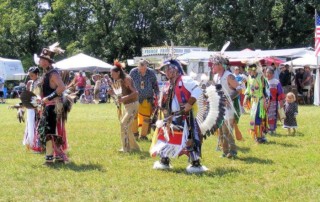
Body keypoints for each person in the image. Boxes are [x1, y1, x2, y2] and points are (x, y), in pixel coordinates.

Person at [151, 59, 208, 173]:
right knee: (167, 136)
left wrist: (189, 103)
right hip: (172, 116)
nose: (166, 72)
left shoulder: (184, 79)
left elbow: (197, 90)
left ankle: (195, 163)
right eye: (165, 70)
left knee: (190, 138)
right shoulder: (169, 83)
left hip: (186, 117)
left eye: (168, 69)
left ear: (175, 69)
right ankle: (164, 160)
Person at [37, 44, 69, 165]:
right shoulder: (47, 73)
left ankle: (49, 158)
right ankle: (58, 157)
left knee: (49, 131)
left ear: (46, 61)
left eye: (41, 59)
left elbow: (62, 87)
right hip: (49, 105)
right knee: (51, 131)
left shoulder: (53, 74)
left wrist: (48, 97)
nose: (39, 61)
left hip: (53, 105)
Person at [212, 56, 241, 157]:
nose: (213, 66)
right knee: (220, 129)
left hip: (228, 107)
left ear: (220, 65)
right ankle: (225, 151)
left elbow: (239, 88)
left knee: (227, 130)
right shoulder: (216, 77)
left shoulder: (229, 76)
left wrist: (228, 98)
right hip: (219, 107)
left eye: (214, 64)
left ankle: (232, 151)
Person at [108, 60, 140, 152]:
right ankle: (135, 147)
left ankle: (126, 148)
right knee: (127, 127)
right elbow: (120, 95)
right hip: (128, 106)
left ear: (118, 72)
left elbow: (136, 93)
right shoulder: (119, 80)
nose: (111, 75)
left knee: (124, 124)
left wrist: (124, 98)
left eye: (112, 73)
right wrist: (112, 93)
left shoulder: (126, 79)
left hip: (133, 105)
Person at [129, 59, 159, 140]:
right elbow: (128, 83)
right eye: (140, 68)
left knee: (146, 118)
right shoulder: (133, 72)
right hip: (134, 98)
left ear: (147, 66)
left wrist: (157, 94)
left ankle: (143, 136)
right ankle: (135, 134)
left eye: (144, 68)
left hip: (147, 99)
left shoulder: (151, 72)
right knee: (133, 116)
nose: (142, 70)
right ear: (138, 66)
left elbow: (155, 85)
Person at [244, 64, 269, 144]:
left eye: (250, 71)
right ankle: (258, 135)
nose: (249, 72)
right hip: (253, 101)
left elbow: (266, 90)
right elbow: (248, 88)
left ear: (254, 70)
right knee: (253, 118)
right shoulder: (249, 78)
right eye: (248, 71)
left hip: (260, 100)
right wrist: (245, 98)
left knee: (257, 118)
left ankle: (259, 137)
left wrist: (266, 101)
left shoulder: (261, 77)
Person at [23, 67, 42, 152]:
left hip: (37, 107)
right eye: (29, 75)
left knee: (36, 126)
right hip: (31, 107)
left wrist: (35, 105)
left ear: (37, 74)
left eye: (32, 75)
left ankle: (37, 145)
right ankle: (31, 143)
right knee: (31, 125)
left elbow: (39, 95)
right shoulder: (31, 82)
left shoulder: (39, 82)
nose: (30, 77)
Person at [266, 67, 285, 134]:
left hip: (273, 102)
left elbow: (280, 92)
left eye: (270, 73)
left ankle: (272, 129)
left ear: (273, 74)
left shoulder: (276, 82)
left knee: (272, 116)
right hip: (264, 102)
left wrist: (281, 101)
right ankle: (265, 129)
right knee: (265, 115)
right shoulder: (264, 81)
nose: (268, 74)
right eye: (267, 72)